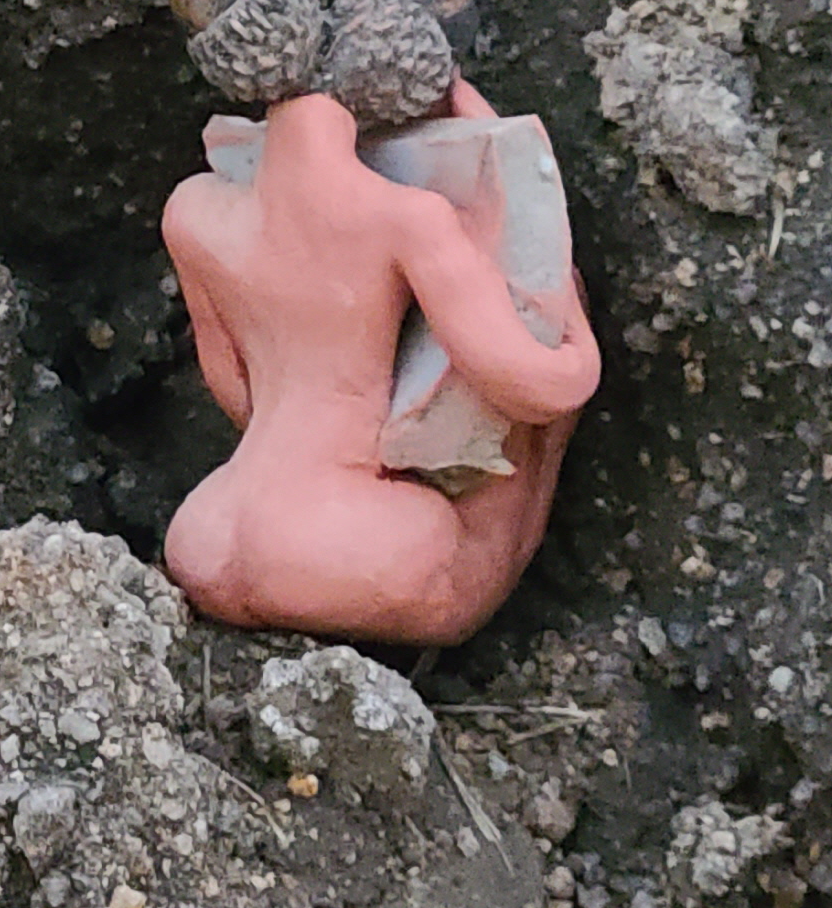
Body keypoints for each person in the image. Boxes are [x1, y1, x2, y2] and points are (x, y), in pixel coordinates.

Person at [159, 80, 598, 646]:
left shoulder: (193, 208)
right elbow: (536, 387)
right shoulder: (402, 215)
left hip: (208, 534)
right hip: (334, 541)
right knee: (472, 567)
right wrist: (572, 316)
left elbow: (233, 389)